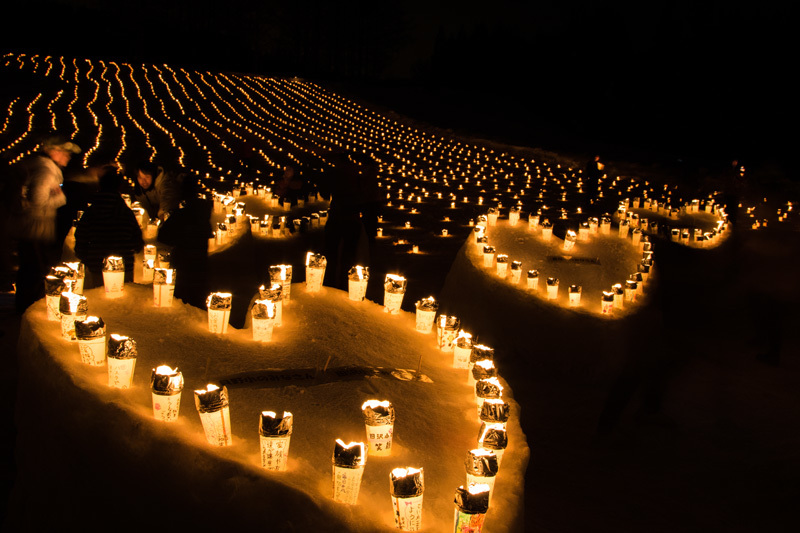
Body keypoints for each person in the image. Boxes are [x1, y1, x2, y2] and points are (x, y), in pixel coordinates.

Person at [12, 135, 80, 312]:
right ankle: (27, 310)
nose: (68, 156)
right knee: (34, 271)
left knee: (31, 269)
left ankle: (24, 307)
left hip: (33, 228)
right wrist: (59, 197)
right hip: (36, 229)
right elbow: (38, 200)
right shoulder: (46, 171)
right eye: (65, 152)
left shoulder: (42, 167)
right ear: (54, 152)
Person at [74, 169, 144, 287]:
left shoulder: (90, 213)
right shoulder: (125, 213)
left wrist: (86, 257)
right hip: (124, 266)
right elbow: (136, 240)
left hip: (97, 265)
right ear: (119, 187)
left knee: (100, 299)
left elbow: (81, 237)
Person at [157, 176, 213, 308]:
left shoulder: (181, 215)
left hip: (183, 265)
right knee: (198, 300)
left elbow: (163, 237)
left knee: (183, 302)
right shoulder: (205, 213)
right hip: (201, 265)